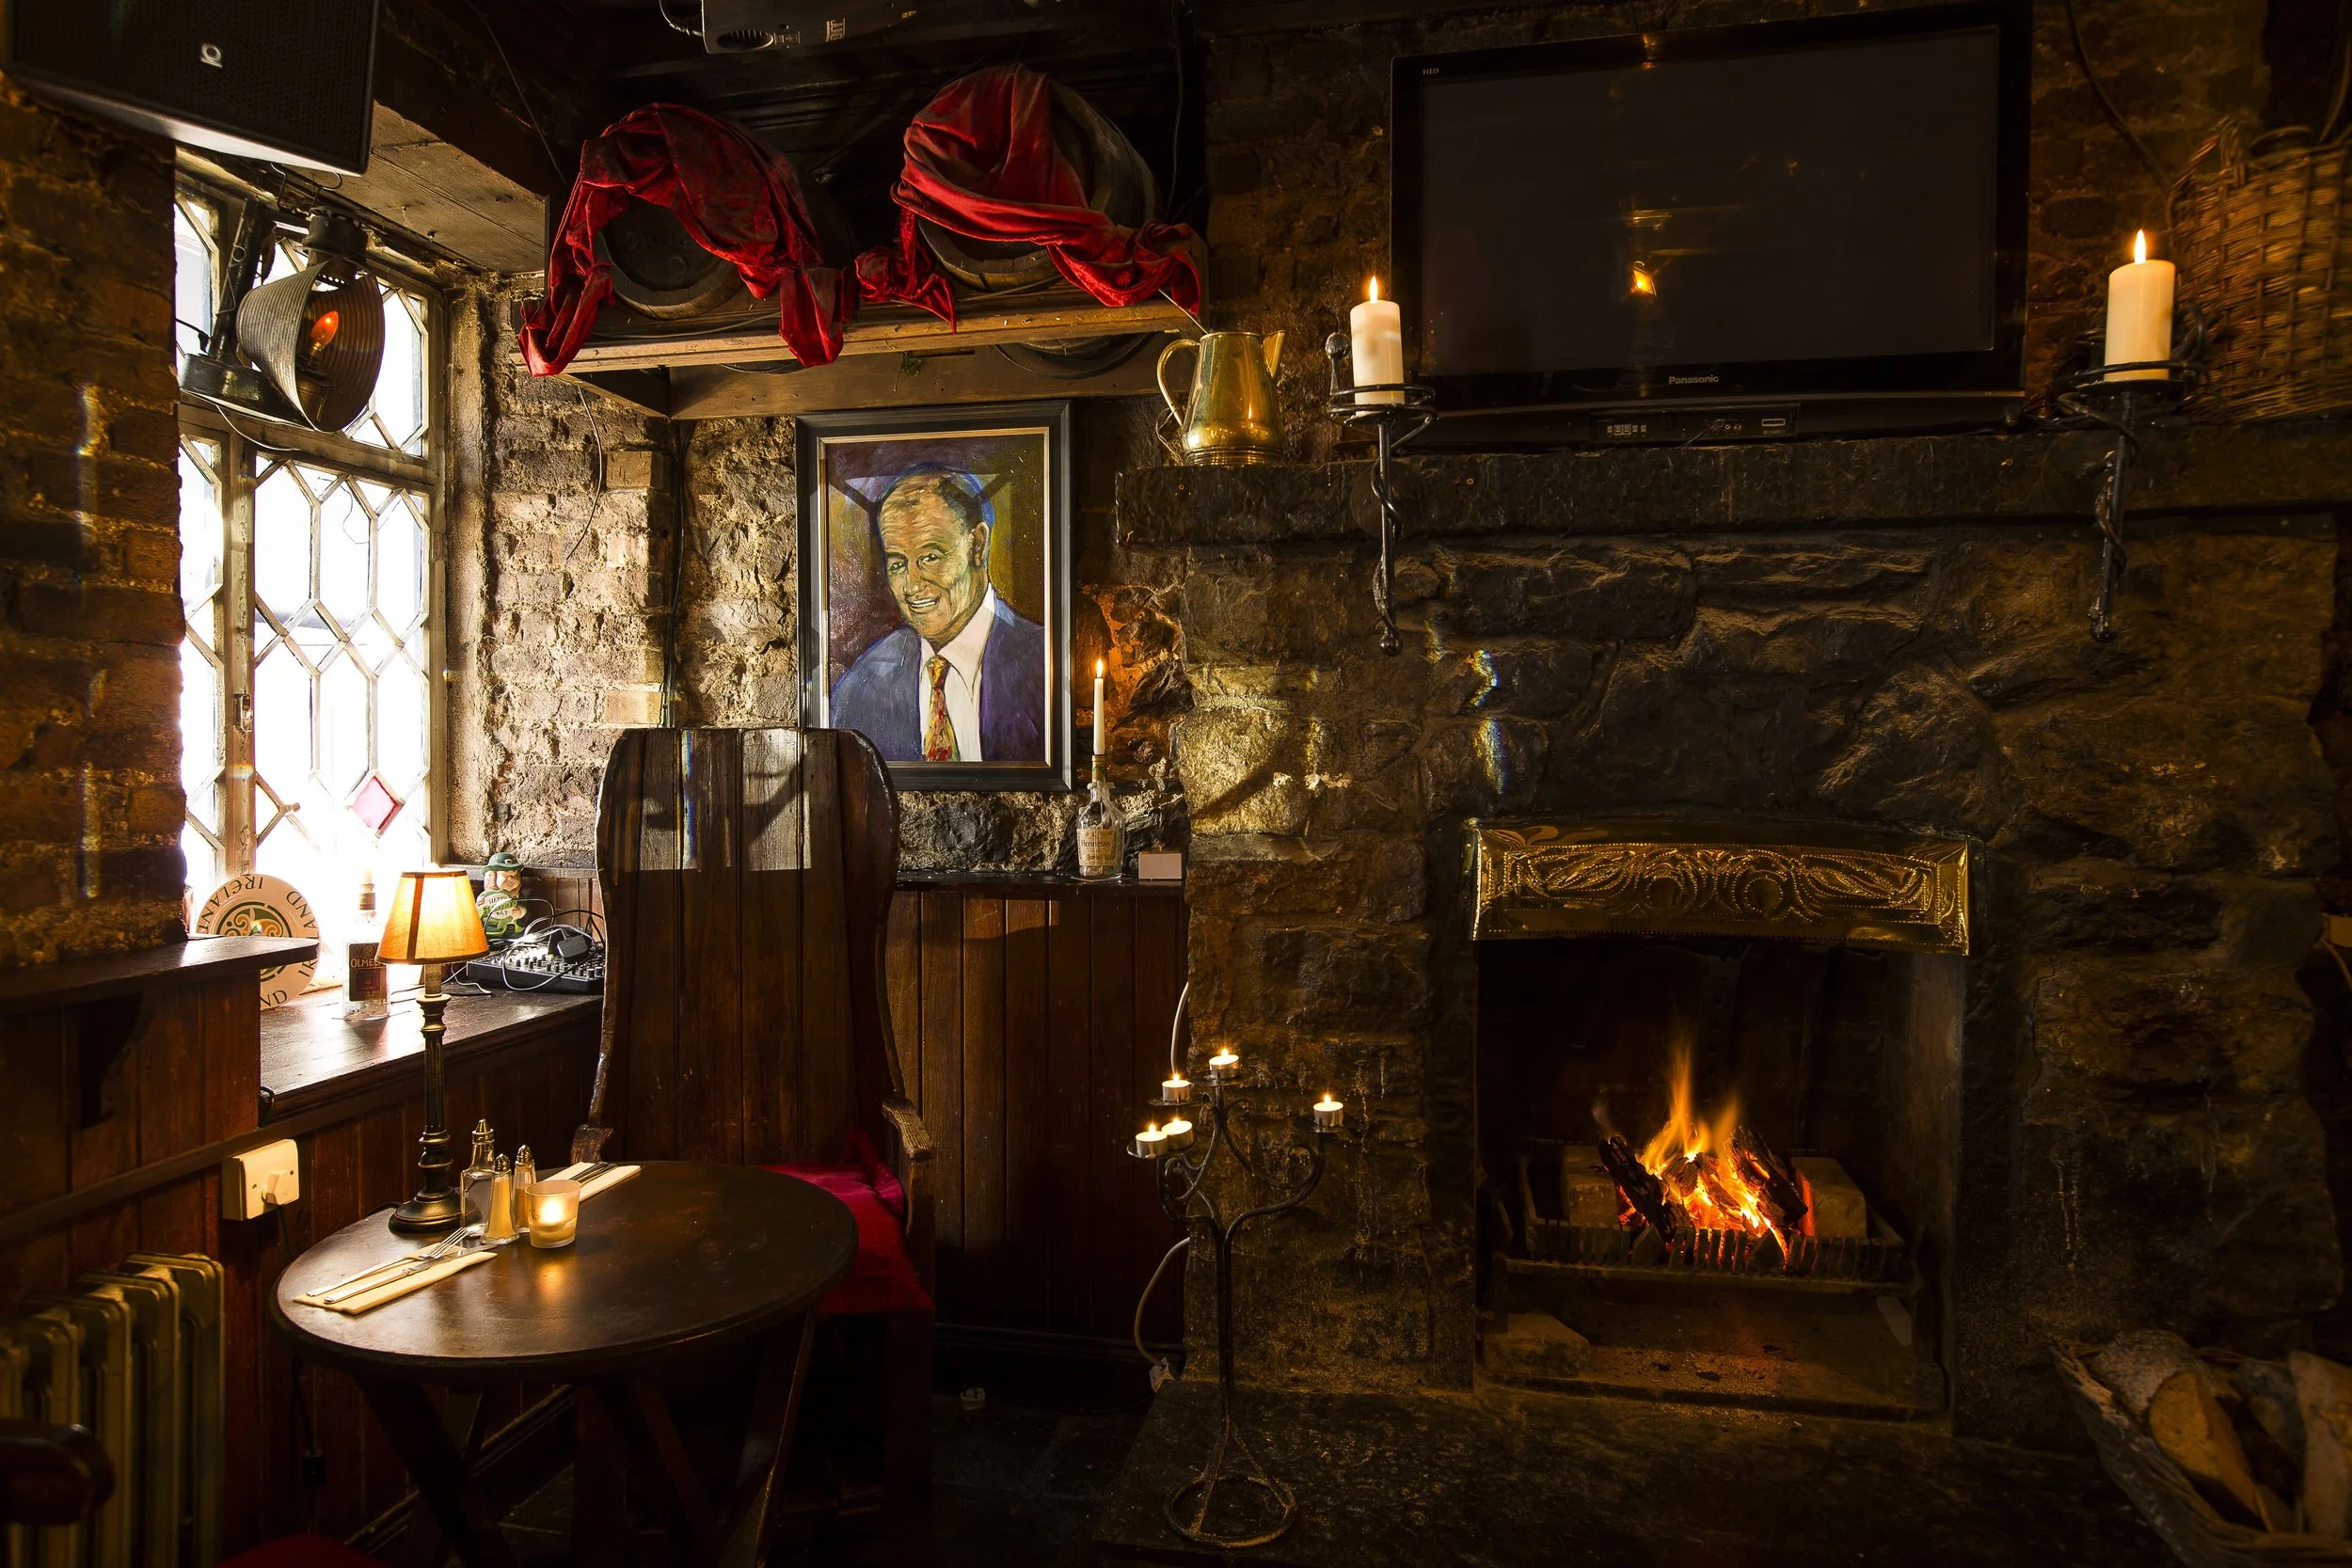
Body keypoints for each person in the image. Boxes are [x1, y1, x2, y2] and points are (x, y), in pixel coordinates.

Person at [828, 466, 1045, 762]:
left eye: (930, 557)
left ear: (977, 546)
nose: (912, 585)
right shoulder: (861, 686)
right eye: (897, 564)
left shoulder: (1044, 663)